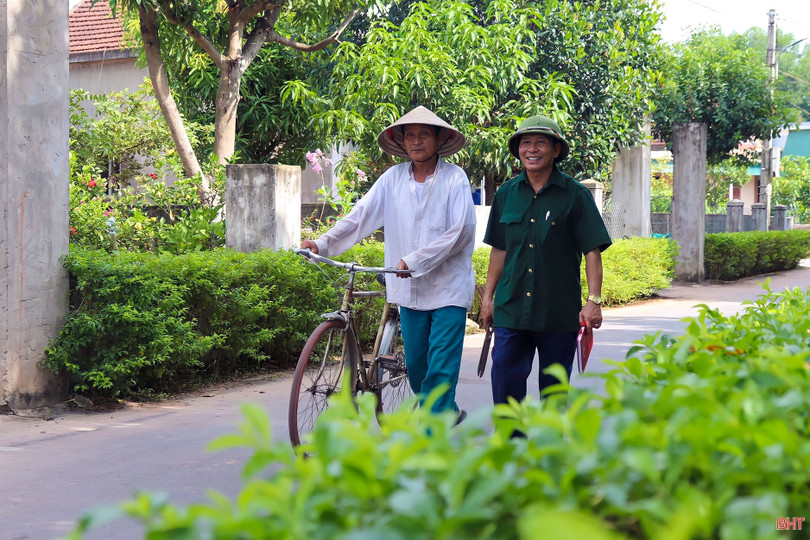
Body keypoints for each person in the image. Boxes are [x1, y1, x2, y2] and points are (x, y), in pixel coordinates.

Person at [301, 106, 476, 421]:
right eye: (410, 135)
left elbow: (460, 232)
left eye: (424, 134)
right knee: (419, 367)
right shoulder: (392, 179)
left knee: (439, 366)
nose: (416, 141)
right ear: (402, 141)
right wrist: (322, 243)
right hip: (407, 291)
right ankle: (446, 412)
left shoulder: (455, 179)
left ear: (439, 139)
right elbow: (360, 218)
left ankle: (429, 444)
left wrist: (414, 260)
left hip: (448, 289)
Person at [479, 115, 611, 405]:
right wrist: (488, 298)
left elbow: (592, 251)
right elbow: (499, 250)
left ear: (556, 150)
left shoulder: (575, 195)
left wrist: (594, 301)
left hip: (557, 313)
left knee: (553, 394)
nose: (532, 149)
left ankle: (548, 449)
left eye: (541, 143)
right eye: (526, 143)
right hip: (511, 310)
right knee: (504, 386)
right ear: (518, 150)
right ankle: (511, 447)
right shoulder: (506, 194)